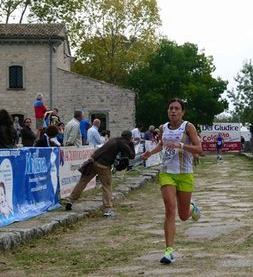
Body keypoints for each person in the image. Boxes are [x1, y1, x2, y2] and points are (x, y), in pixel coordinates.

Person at [142, 98, 202, 264]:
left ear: (182, 112)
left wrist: (182, 146)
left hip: (185, 174)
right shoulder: (163, 128)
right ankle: (169, 251)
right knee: (170, 208)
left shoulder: (188, 127)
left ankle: (192, 208)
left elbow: (199, 148)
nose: (173, 111)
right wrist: (150, 153)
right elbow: (162, 144)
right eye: (170, 108)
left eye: (176, 109)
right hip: (167, 173)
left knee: (183, 216)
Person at [65, 130, 135, 217]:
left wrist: (92, 158)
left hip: (94, 161)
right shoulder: (123, 144)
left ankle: (70, 200)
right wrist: (132, 144)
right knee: (107, 186)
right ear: (129, 138)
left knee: (82, 182)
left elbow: (102, 149)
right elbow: (132, 155)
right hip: (104, 166)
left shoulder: (113, 140)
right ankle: (107, 209)